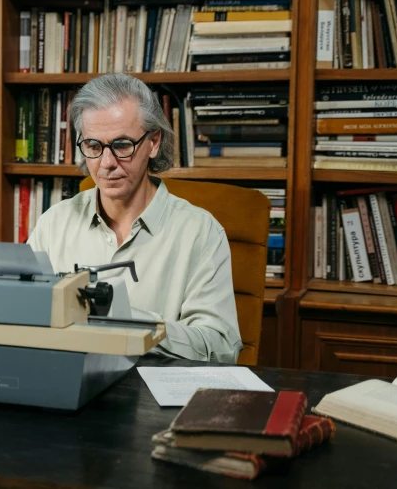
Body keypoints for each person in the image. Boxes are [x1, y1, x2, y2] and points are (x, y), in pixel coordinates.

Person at [27, 73, 242, 363]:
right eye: (93, 146)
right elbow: (24, 318)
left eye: (122, 145)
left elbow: (221, 346)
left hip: (152, 396)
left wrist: (129, 322)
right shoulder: (54, 224)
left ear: (154, 142)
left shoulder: (200, 232)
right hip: (70, 387)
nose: (107, 163)